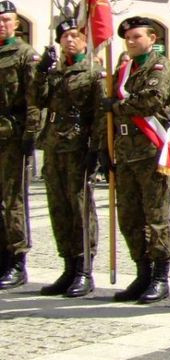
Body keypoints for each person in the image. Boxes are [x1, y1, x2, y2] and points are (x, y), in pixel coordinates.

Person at [103, 17, 170, 304]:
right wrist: (104, 150)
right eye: (128, 38)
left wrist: (119, 105)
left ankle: (160, 276)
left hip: (150, 151)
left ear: (152, 38)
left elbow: (152, 99)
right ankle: (142, 272)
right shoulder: (123, 70)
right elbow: (108, 116)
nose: (131, 41)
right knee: (130, 218)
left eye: (136, 36)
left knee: (156, 215)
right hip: (125, 152)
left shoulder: (159, 66)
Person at [31, 18, 103, 298]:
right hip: (54, 144)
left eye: (75, 36)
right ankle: (68, 265)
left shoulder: (93, 72)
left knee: (80, 207)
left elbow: (99, 115)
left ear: (85, 41)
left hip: (78, 146)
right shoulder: (56, 71)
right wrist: (41, 71)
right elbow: (37, 98)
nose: (70, 40)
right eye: (65, 37)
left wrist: (96, 150)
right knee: (58, 208)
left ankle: (84, 268)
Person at [0, 1, 38, 290]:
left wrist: (30, 134)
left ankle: (16, 260)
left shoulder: (25, 55)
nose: (2, 24)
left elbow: (34, 98)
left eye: (7, 20)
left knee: (12, 200)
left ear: (16, 24)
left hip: (12, 136)